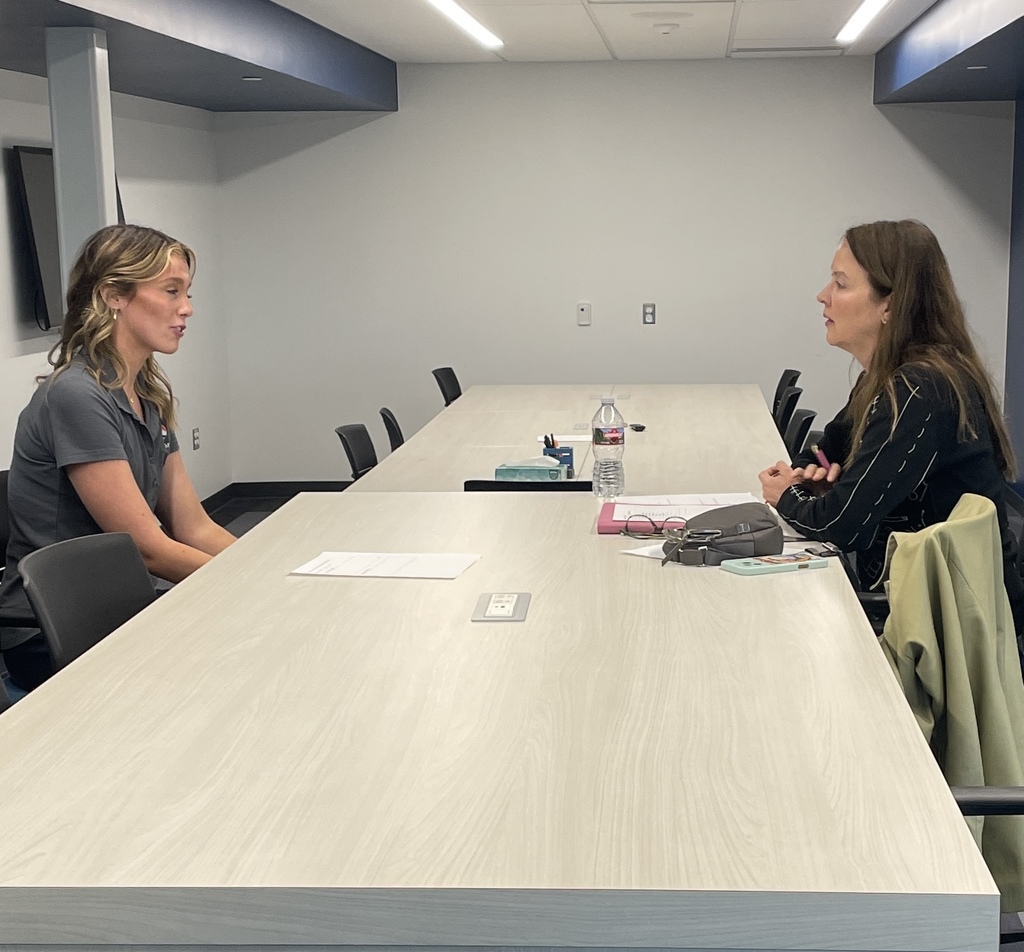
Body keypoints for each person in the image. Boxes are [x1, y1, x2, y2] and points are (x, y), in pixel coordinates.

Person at [758, 219, 1024, 634]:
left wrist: (786, 494)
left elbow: (840, 524)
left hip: (957, 624)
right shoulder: (884, 375)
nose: (823, 296)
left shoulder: (920, 390)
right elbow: (826, 450)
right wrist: (813, 476)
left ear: (890, 305)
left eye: (841, 284)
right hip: (921, 599)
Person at [0, 224, 236, 690]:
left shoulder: (147, 395)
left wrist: (264, 563)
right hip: (53, 629)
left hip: (117, 601)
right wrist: (252, 580)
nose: (186, 308)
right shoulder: (76, 395)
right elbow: (147, 546)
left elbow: (193, 527)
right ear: (113, 295)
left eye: (186, 293)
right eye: (171, 291)